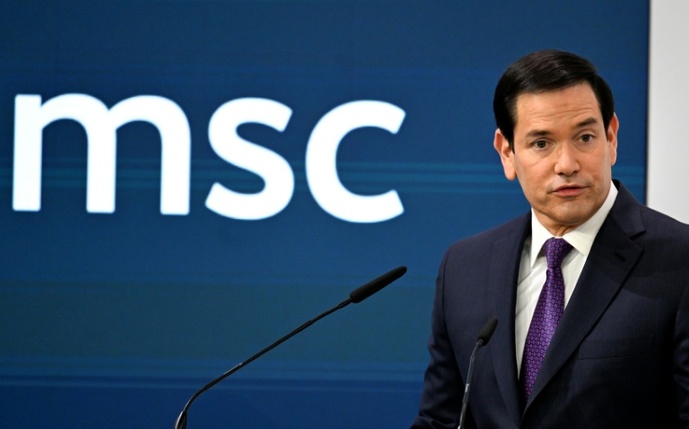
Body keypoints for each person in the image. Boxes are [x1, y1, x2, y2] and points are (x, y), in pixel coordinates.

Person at [410, 49, 689, 428]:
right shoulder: (464, 268)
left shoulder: (679, 260)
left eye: (585, 137)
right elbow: (440, 420)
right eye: (541, 143)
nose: (567, 164)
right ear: (507, 153)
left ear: (611, 137)